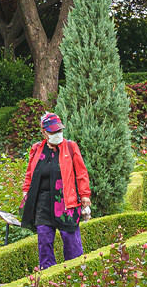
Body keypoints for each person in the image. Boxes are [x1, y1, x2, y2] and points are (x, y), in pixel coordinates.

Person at [19, 112, 92, 268]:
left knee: (72, 244)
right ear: (44, 132)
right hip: (43, 204)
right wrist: (26, 191)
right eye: (53, 132)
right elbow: (30, 174)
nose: (57, 134)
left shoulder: (71, 147)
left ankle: (76, 276)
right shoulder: (37, 149)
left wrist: (85, 195)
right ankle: (49, 281)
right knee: (44, 244)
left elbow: (81, 173)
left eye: (59, 130)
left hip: (66, 203)